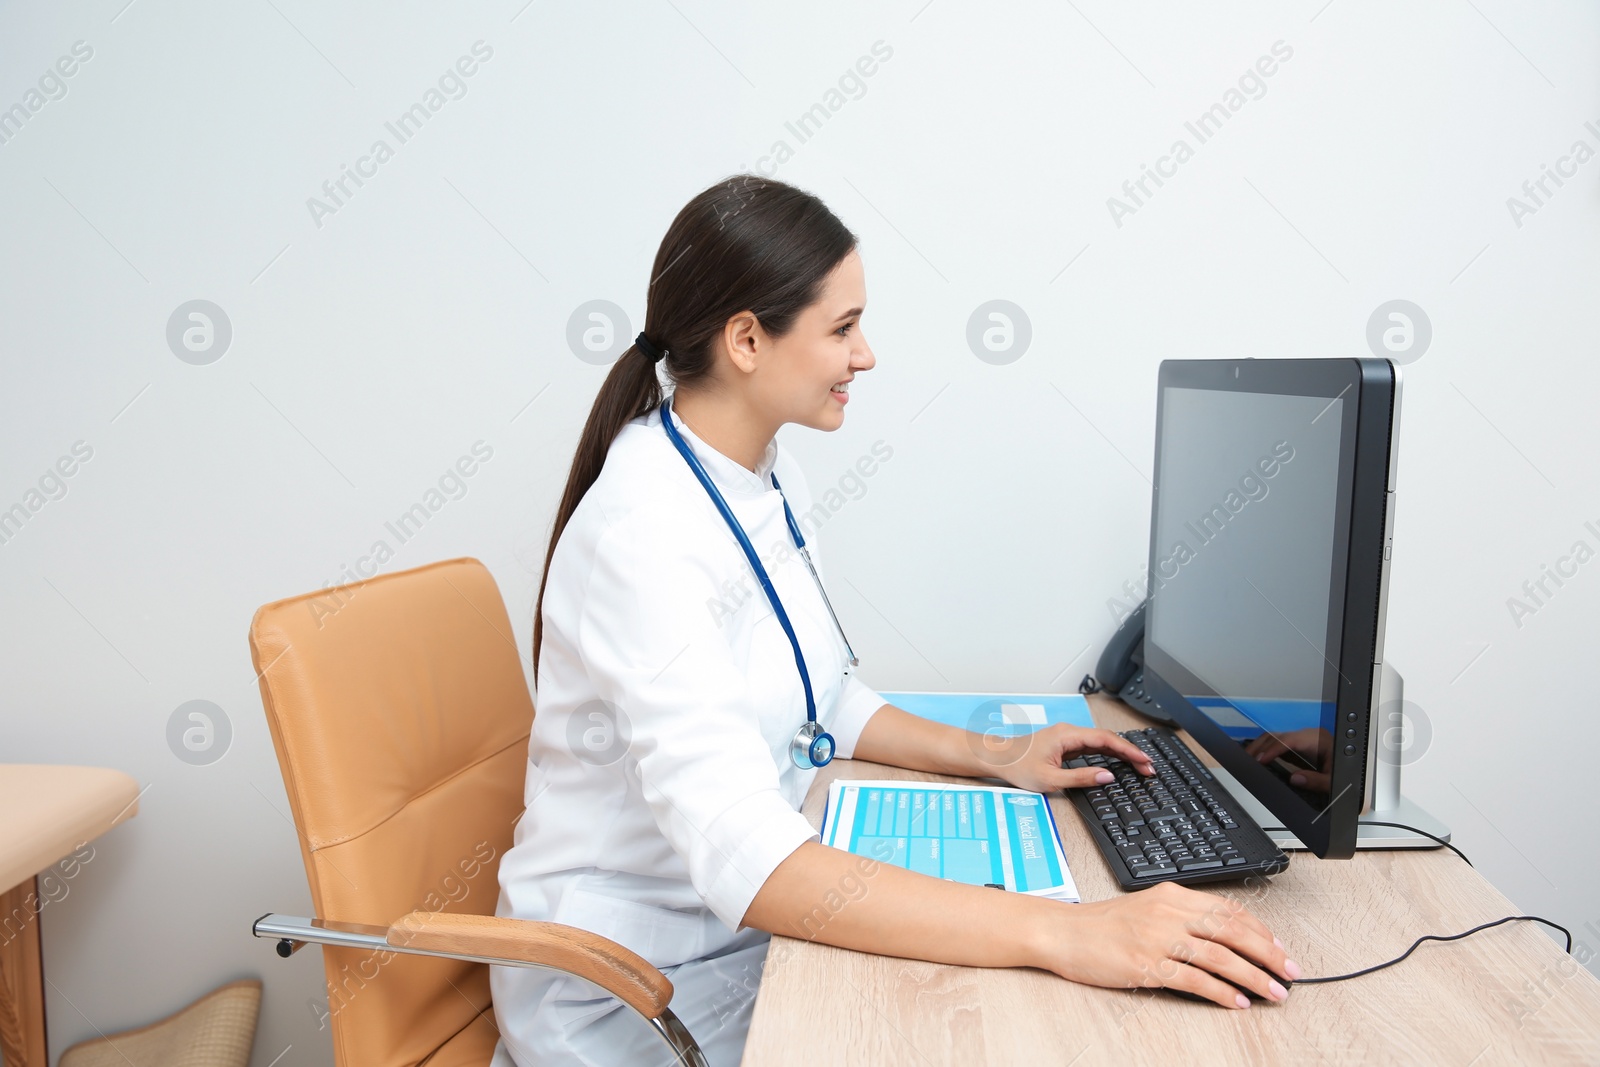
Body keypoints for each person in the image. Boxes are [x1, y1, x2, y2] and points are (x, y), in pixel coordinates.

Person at [489, 175, 1299, 1067]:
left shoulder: (768, 478)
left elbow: (821, 700)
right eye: (842, 328)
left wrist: (1001, 756)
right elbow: (749, 859)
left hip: (728, 931)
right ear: (747, 339)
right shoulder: (642, 534)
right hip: (628, 983)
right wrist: (1070, 933)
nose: (865, 355)